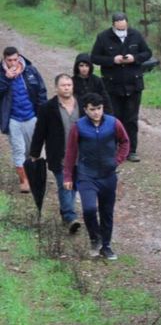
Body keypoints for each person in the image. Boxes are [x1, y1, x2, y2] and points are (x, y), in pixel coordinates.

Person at [63, 93, 129, 260]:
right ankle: (95, 238)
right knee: (89, 209)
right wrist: (68, 176)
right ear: (85, 109)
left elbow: (125, 142)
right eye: (92, 109)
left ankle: (106, 246)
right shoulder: (78, 126)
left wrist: (117, 160)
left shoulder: (114, 123)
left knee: (107, 212)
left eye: (99, 109)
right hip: (86, 175)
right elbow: (71, 152)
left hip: (108, 175)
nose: (96, 113)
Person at [90, 12, 152, 162]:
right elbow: (94, 57)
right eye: (119, 27)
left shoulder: (136, 35)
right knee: (114, 118)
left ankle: (131, 150)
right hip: (112, 85)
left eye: (124, 27)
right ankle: (114, 148)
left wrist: (135, 58)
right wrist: (112, 60)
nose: (122, 29)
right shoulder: (103, 37)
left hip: (134, 84)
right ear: (113, 25)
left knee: (131, 118)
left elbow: (147, 53)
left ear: (127, 24)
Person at [29, 74, 81, 233]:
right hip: (59, 155)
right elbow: (40, 132)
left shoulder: (83, 105)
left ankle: (66, 213)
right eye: (63, 85)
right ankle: (70, 216)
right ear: (56, 88)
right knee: (65, 185)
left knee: (75, 186)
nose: (67, 88)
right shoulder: (47, 108)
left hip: (81, 155)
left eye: (69, 85)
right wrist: (35, 153)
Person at [0, 46, 47, 193]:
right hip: (13, 118)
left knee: (35, 150)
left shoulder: (30, 70)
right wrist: (6, 79)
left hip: (32, 116)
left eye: (15, 59)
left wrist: (43, 114)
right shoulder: (1, 74)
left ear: (19, 57)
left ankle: (37, 177)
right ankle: (24, 180)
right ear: (4, 59)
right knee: (18, 150)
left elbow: (41, 91)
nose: (13, 63)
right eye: (9, 60)